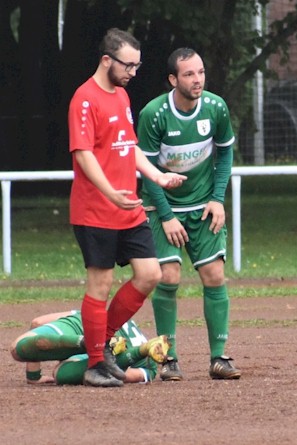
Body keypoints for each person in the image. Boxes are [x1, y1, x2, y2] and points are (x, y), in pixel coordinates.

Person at [68, 28, 186, 387]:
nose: (133, 73)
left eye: (137, 66)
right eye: (128, 66)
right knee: (100, 284)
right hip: (95, 210)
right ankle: (95, 363)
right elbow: (83, 155)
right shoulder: (84, 99)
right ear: (107, 60)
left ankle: (97, 343)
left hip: (128, 207)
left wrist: (158, 176)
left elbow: (129, 147)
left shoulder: (120, 97)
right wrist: (110, 192)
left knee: (151, 273)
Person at [136, 47, 240, 381]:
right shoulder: (154, 113)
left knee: (214, 276)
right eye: (189, 74)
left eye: (201, 72)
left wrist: (217, 198)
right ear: (173, 79)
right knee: (167, 278)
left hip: (203, 206)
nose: (198, 80)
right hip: (162, 207)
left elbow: (224, 153)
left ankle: (219, 358)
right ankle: (168, 359)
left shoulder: (215, 107)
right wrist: (165, 216)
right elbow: (146, 169)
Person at [10, 310, 170, 386]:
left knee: (21, 349)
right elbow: (125, 376)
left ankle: (87, 342)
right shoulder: (149, 367)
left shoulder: (90, 309)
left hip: (85, 321)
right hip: (137, 356)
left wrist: (33, 376)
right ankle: (135, 349)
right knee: (61, 372)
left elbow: (37, 323)